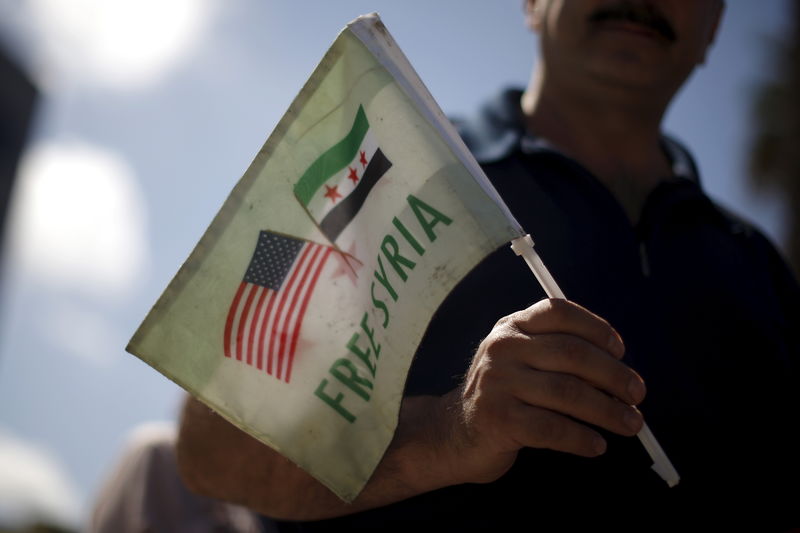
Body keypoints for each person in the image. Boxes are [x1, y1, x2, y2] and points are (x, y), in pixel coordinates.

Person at [176, 0, 799, 527]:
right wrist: (445, 434)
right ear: (531, 3)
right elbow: (214, 447)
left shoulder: (760, 265)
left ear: (715, 26)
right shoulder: (383, 172)